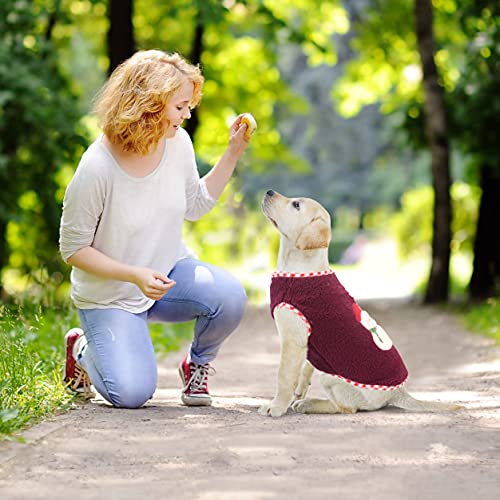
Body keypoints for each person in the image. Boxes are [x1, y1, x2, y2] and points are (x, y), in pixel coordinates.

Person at [59, 50, 250, 409]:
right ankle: (82, 348)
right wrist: (133, 275)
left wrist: (233, 153)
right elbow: (73, 249)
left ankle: (197, 366)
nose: (188, 114)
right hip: (111, 295)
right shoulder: (97, 167)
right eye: (181, 106)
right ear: (150, 104)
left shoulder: (177, 144)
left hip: (167, 276)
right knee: (131, 394)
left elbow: (196, 205)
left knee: (229, 297)